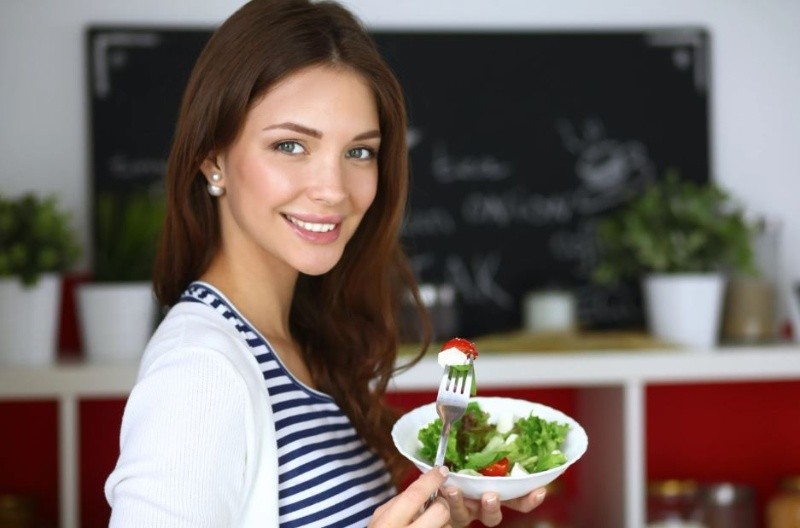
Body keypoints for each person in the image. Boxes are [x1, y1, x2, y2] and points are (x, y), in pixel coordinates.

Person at [104, 0, 547, 526]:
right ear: (213, 160)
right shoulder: (201, 372)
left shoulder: (306, 342)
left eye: (359, 152)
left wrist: (442, 506)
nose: (333, 190)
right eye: (290, 145)